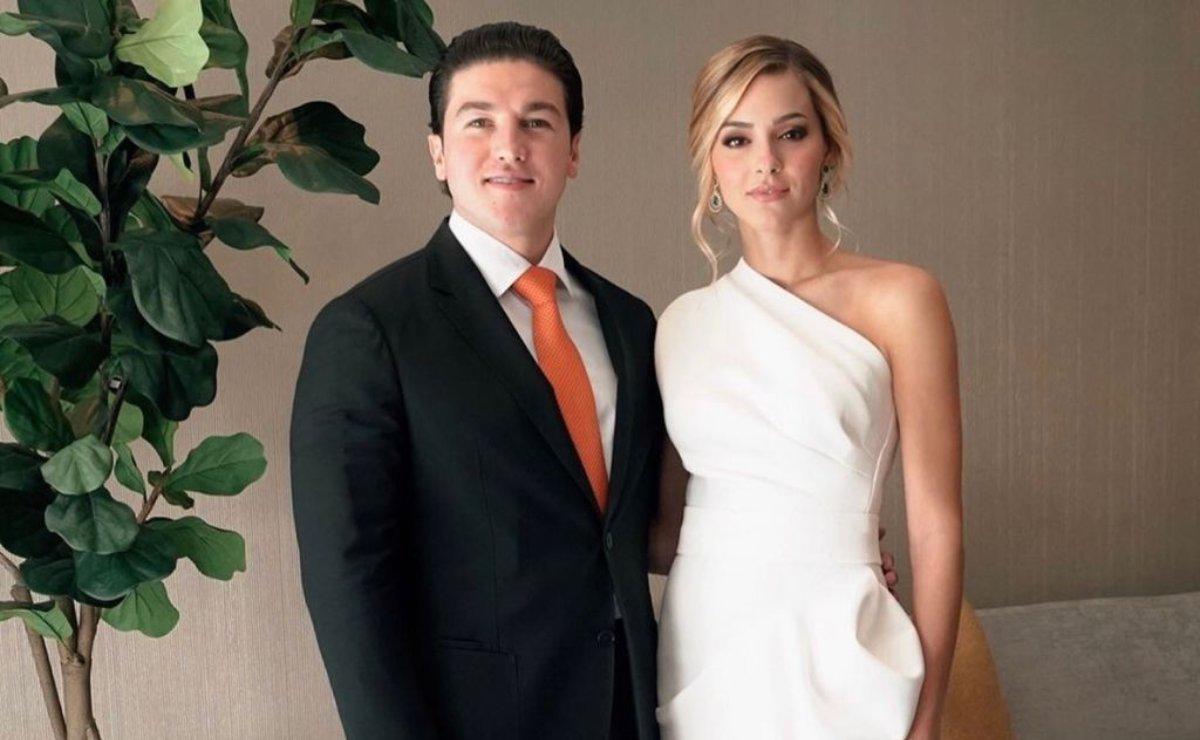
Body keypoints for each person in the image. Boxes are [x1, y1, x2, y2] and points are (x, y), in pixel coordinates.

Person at [292, 22, 902, 740]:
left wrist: (813, 547)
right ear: (437, 152)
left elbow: (646, 527)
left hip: (637, 709)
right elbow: (348, 582)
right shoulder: (370, 330)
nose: (509, 147)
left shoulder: (630, 322)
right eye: (479, 122)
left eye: (537, 122)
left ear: (574, 150)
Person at [651, 36, 964, 739]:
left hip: (843, 643)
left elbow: (937, 522)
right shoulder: (679, 326)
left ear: (828, 148)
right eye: (736, 139)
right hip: (705, 647)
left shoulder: (902, 299)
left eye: (790, 133)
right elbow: (666, 531)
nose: (764, 162)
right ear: (710, 161)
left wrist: (930, 713)